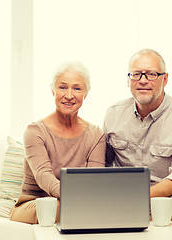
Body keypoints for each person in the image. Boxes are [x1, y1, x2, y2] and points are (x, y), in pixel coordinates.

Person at [103, 49, 172, 239]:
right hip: (125, 197)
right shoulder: (113, 114)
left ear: (164, 80)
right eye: (136, 74)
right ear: (128, 79)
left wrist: (141, 197)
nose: (142, 80)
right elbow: (103, 164)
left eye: (151, 74)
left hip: (170, 198)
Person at [9, 61, 106, 224]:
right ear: (53, 90)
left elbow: (93, 181)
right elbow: (43, 176)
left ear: (85, 94)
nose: (69, 95)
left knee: (98, 206)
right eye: (62, 87)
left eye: (77, 88)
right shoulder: (35, 131)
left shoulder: (96, 135)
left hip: (77, 204)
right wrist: (79, 200)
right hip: (35, 204)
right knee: (59, 208)